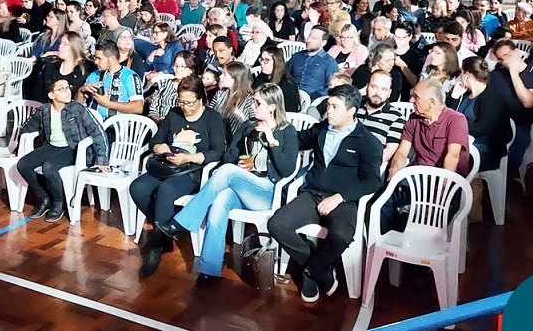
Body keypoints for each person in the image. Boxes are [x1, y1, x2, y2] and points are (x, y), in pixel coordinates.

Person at [158, 83, 299, 285]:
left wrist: (272, 143)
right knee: (220, 201)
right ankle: (209, 269)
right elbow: (229, 155)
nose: (253, 106)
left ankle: (183, 221)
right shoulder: (248, 126)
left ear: (272, 107)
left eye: (258, 103)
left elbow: (287, 171)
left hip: (267, 190)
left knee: (227, 171)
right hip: (244, 184)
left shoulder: (287, 131)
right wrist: (241, 160)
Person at [267, 84, 383, 303]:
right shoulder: (321, 129)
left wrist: (340, 197)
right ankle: (322, 271)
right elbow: (295, 139)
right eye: (328, 105)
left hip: (343, 200)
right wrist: (273, 131)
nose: (328, 110)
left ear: (351, 111)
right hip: (312, 193)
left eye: (335, 107)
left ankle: (311, 272)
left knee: (341, 236)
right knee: (277, 224)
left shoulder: (368, 142)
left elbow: (372, 181)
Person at [132, 76, 227, 277]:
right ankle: (164, 231)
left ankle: (156, 246)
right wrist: (161, 147)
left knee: (166, 190)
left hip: (192, 170)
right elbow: (155, 141)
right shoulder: (174, 114)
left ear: (200, 99)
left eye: (190, 103)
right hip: (168, 166)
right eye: (181, 102)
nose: (185, 107)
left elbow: (217, 152)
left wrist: (188, 158)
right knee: (138, 188)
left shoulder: (212, 118)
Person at [379, 79, 471, 232]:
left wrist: (440, 195)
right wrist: (395, 170)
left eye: (416, 97)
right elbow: (402, 151)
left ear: (431, 102)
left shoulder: (456, 120)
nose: (411, 100)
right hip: (418, 177)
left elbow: (453, 157)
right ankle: (386, 237)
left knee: (432, 223)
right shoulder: (414, 119)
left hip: (446, 181)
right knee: (385, 197)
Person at [16, 79, 110, 221]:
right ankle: (44, 198)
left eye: (68, 87)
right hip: (51, 146)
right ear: (51, 95)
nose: (67, 92)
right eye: (61, 89)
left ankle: (59, 202)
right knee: (23, 164)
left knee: (49, 167)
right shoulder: (44, 111)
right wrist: (15, 149)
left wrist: (102, 159)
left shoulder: (77, 108)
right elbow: (26, 128)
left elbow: (98, 132)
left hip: (73, 148)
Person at [491, 40, 533, 173]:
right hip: (497, 123)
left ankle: (509, 176)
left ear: (516, 52)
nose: (505, 61)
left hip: (520, 124)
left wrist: (514, 73)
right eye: (501, 59)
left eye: (507, 55)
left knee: (513, 155)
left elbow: (528, 101)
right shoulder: (496, 75)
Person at [449, 56, 511, 171]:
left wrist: (455, 126)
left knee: (449, 155)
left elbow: (482, 128)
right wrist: (454, 97)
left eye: (461, 73)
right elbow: (448, 116)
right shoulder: (464, 94)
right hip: (461, 140)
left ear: (467, 74)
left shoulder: (493, 98)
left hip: (485, 146)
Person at [78, 41, 144, 119]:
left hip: (116, 124)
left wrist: (108, 104)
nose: (96, 62)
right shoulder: (94, 75)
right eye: (95, 58)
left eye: (99, 58)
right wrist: (81, 90)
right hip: (90, 122)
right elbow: (78, 106)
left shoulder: (130, 76)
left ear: (111, 59)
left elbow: (138, 107)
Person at [357, 69, 408, 166]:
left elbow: (390, 150)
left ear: (389, 93)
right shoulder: (354, 107)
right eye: (374, 87)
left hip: (370, 165)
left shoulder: (396, 117)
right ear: (367, 87)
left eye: (383, 89)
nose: (377, 93)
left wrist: (367, 165)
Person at [32, 32, 96, 101]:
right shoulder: (51, 65)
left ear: (74, 47)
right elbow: (39, 92)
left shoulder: (87, 68)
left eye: (65, 44)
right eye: (60, 43)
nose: (60, 46)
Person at [287, 25, 338, 99]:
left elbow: (331, 87)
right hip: (291, 97)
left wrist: (312, 97)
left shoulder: (329, 62)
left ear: (323, 42)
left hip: (315, 100)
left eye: (314, 38)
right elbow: (285, 75)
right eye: (309, 36)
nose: (308, 40)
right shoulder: (296, 56)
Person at [147, 51, 199, 122]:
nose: (178, 69)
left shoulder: (194, 88)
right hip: (158, 122)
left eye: (182, 66)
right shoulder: (166, 83)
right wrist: (156, 119)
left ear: (191, 70)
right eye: (176, 65)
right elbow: (154, 105)